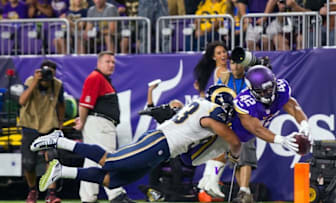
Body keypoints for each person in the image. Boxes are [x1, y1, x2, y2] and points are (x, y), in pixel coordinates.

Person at [30, 85, 244, 199]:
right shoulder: (211, 111)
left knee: (113, 181)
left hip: (164, 148)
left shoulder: (203, 106)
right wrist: (235, 151)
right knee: (111, 160)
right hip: (159, 142)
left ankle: (62, 171)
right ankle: (61, 141)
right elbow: (230, 138)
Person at [230, 65, 310, 202]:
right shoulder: (244, 102)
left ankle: (244, 192)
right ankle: (215, 183)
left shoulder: (280, 87)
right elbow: (256, 129)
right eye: (262, 91)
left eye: (270, 88)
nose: (268, 93)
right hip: (235, 129)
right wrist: (281, 140)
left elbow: (293, 106)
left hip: (253, 129)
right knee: (231, 159)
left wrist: (304, 123)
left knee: (243, 159)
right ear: (252, 90)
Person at [73, 51, 134, 203]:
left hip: (100, 123)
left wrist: (83, 121)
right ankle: (116, 194)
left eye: (113, 62)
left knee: (93, 160)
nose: (111, 65)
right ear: (99, 63)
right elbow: (85, 103)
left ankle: (88, 198)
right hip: (99, 124)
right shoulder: (95, 78)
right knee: (107, 158)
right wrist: (82, 121)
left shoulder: (103, 79)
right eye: (108, 61)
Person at [197, 47, 253, 202]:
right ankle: (210, 182)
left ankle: (209, 181)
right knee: (222, 153)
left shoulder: (228, 73)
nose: (223, 56)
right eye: (219, 53)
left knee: (225, 153)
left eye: (224, 52)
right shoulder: (223, 73)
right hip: (228, 118)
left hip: (235, 119)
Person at [18, 60, 65, 203]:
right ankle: (32, 191)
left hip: (49, 125)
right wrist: (34, 83)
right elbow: (22, 101)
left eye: (51, 73)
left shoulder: (57, 85)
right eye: (45, 73)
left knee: (52, 159)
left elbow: (61, 104)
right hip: (30, 125)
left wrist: (60, 124)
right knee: (28, 163)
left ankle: (51, 193)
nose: (47, 77)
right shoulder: (30, 81)